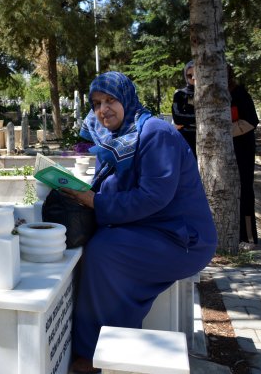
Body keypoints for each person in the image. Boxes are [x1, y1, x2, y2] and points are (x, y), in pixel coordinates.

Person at [63, 71, 217, 374]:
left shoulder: (154, 133)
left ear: (127, 98)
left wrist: (94, 201)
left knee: (104, 251)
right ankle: (107, 345)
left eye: (110, 100)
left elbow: (152, 197)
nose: (103, 110)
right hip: (153, 228)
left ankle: (97, 353)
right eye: (96, 103)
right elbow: (118, 185)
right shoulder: (121, 137)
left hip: (182, 238)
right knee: (102, 244)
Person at [228, 65, 259, 247]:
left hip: (242, 149)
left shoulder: (239, 93)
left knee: (245, 190)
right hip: (224, 152)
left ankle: (248, 237)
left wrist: (224, 132)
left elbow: (251, 120)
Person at [172, 60, 197, 157]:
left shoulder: (208, 93)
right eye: (189, 76)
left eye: (196, 74)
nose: (193, 78)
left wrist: (188, 120)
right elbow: (178, 118)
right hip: (186, 137)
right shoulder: (180, 94)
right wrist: (200, 118)